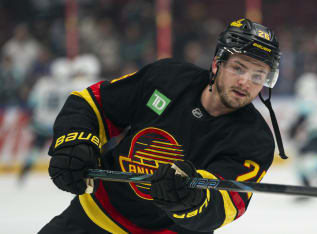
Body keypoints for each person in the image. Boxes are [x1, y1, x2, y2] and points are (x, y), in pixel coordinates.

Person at [40, 18, 286, 234]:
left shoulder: (256, 141)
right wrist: (75, 142)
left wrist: (191, 198)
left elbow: (227, 203)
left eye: (258, 75)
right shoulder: (167, 78)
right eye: (238, 67)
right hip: (98, 217)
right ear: (217, 63)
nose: (245, 82)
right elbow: (92, 104)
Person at [18, 58, 73, 183]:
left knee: (35, 148)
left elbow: (31, 102)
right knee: (66, 150)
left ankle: (25, 170)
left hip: (41, 124)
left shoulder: (43, 83)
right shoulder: (71, 86)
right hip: (59, 125)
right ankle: (68, 174)